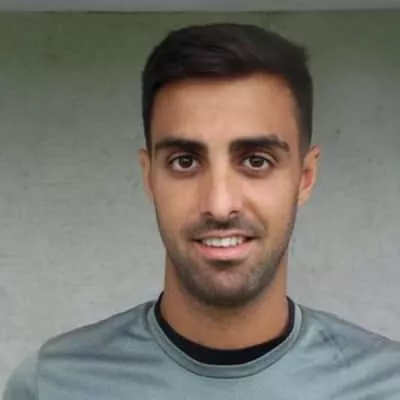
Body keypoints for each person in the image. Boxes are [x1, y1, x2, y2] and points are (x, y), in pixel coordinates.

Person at [4, 23, 400, 400]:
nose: (219, 205)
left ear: (305, 177)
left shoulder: (387, 384)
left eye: (256, 161)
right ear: (149, 177)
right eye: (185, 162)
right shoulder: (54, 384)